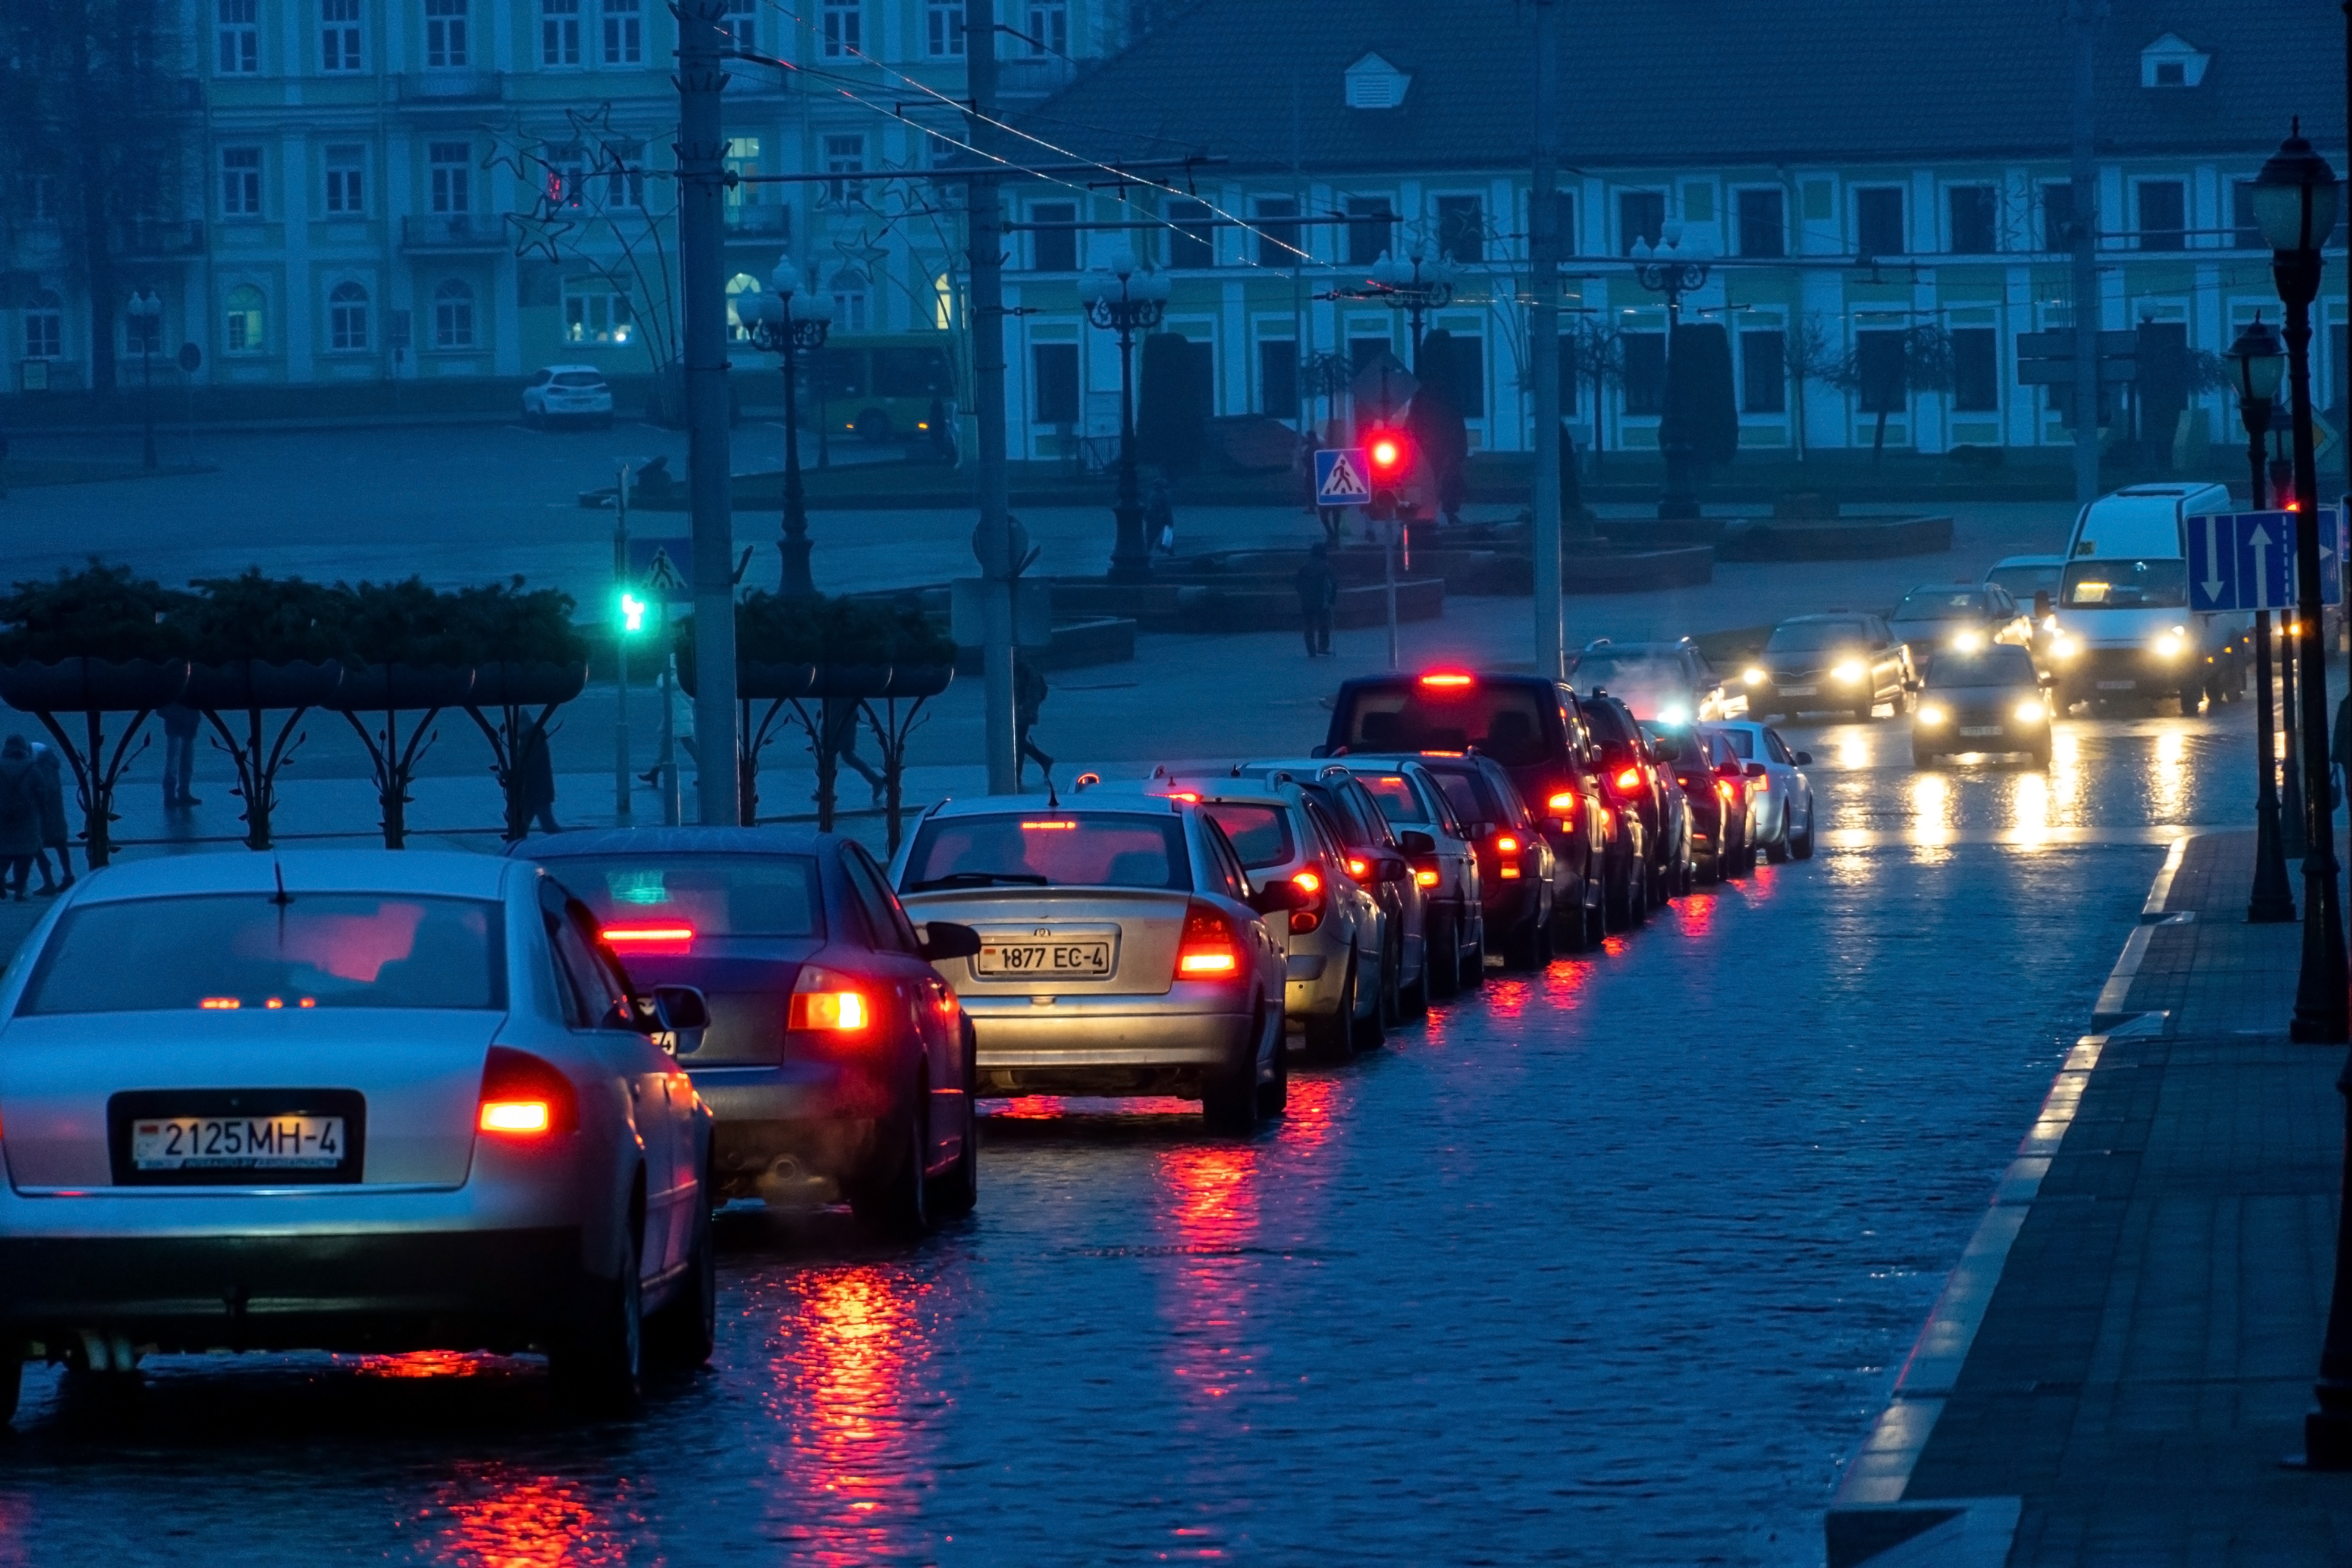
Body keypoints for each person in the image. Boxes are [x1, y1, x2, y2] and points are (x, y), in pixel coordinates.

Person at [0, 737, 43, 901]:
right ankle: (19, 891)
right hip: (27, 818)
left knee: (3, 855)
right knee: (25, 857)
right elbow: (41, 793)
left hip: (3, 818)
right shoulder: (32, 767)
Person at [30, 741, 70, 895]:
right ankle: (68, 877)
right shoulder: (51, 765)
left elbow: (46, 790)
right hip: (55, 815)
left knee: (36, 845)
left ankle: (49, 882)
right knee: (60, 845)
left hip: (46, 816)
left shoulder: (44, 768)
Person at [1014, 655, 1053, 788]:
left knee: (1018, 744)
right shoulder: (1021, 669)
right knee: (1018, 742)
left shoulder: (1027, 671)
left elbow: (1034, 695)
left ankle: (1017, 778)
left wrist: (1023, 710)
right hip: (1019, 712)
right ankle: (1044, 760)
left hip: (1022, 713)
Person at [1295, 543, 1339, 659]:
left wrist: (1302, 595)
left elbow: (1297, 584)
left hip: (1306, 601)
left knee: (1308, 625)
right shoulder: (1325, 567)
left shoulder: (1304, 567)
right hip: (1321, 601)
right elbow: (1334, 584)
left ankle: (1311, 650)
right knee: (1324, 623)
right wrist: (1332, 600)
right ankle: (1323, 646)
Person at [515, 722, 560, 835]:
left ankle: (567, 842)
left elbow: (525, 766)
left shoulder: (530, 743)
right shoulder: (537, 740)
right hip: (539, 791)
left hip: (535, 791)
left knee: (543, 825)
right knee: (542, 824)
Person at [160, 702, 201, 807]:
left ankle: (173, 794)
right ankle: (180, 793)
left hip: (180, 723)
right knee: (181, 760)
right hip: (183, 723)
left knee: (179, 760)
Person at [1145, 476, 1176, 555]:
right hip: (1159, 520)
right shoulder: (1162, 496)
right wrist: (1170, 522)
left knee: (1151, 540)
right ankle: (1169, 554)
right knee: (1153, 539)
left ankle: (1166, 551)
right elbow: (1167, 510)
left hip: (1154, 520)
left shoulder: (1152, 495)